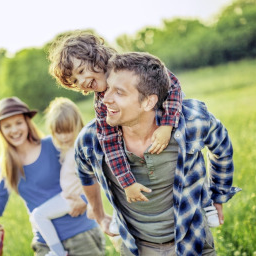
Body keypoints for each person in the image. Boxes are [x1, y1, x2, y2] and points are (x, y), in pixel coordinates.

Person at [74, 52, 241, 256]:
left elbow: (222, 148)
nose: (105, 98)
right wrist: (98, 215)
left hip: (194, 244)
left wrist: (218, 194)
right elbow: (84, 173)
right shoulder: (91, 139)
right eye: (108, 89)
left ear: (149, 101)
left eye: (119, 92)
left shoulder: (191, 122)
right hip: (138, 254)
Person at [48, 31, 220, 228]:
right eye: (76, 83)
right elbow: (110, 144)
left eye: (80, 72)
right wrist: (127, 183)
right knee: (143, 170)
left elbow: (173, 85)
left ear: (95, 56)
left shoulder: (134, 67)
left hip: (166, 120)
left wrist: (167, 126)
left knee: (187, 154)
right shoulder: (102, 104)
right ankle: (124, 218)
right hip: (140, 141)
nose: (82, 84)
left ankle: (204, 201)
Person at [0, 96, 106, 256]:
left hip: (81, 236)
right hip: (46, 245)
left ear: (27, 123)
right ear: (0, 130)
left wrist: (85, 200)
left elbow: (85, 172)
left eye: (18, 122)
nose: (14, 130)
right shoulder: (7, 165)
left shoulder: (53, 144)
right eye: (7, 126)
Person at [29, 97, 86, 256]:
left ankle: (59, 255)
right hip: (67, 195)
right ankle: (58, 253)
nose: (63, 136)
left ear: (77, 125)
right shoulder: (67, 147)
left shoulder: (80, 148)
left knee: (39, 215)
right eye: (58, 132)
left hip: (74, 198)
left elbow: (94, 176)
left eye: (68, 130)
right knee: (37, 216)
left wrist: (85, 199)